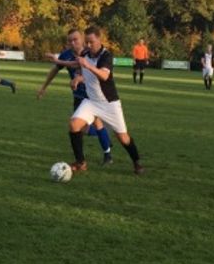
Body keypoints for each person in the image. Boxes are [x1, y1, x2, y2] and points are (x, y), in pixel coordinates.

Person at [50, 27, 144, 175]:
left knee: (123, 138)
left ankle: (137, 162)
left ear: (100, 39)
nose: (88, 45)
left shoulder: (106, 56)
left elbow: (104, 76)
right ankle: (81, 162)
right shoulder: (86, 53)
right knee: (74, 124)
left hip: (109, 103)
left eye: (91, 42)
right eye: (86, 42)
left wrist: (88, 65)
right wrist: (59, 61)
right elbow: (77, 64)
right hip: (91, 101)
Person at [38, 28, 113, 165]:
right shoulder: (66, 55)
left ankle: (107, 154)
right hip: (78, 96)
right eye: (70, 40)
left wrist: (79, 78)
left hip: (93, 95)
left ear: (82, 40)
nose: (73, 43)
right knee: (82, 129)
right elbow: (55, 69)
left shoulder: (90, 53)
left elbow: (95, 73)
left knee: (95, 122)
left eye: (75, 39)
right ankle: (104, 140)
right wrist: (44, 87)